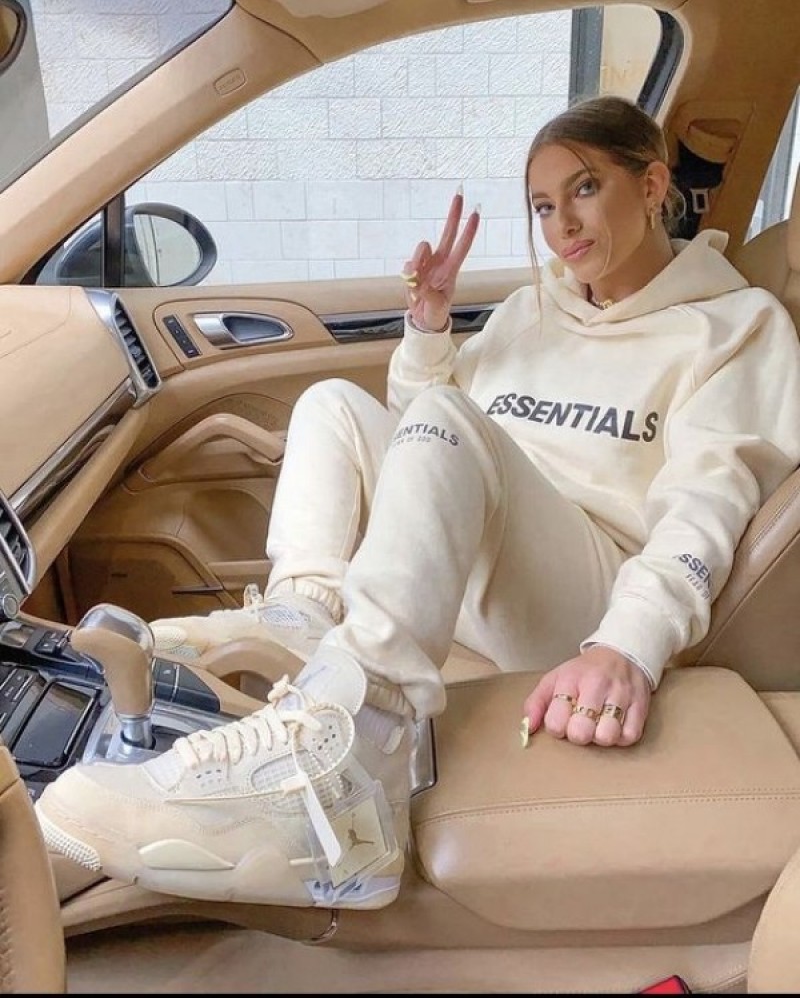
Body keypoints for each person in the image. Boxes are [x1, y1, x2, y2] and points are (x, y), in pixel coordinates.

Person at [35, 96, 800, 911]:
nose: (563, 226)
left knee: (450, 420)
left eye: (585, 189)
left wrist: (629, 644)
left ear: (650, 186)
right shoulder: (534, 308)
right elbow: (422, 434)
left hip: (582, 593)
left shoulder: (734, 327)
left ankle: (352, 764)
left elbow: (707, 504)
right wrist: (428, 327)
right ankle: (304, 614)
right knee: (333, 402)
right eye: (543, 206)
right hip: (472, 564)